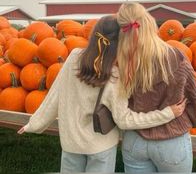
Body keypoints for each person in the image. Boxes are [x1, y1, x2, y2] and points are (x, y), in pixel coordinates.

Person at [17, 15, 186, 173]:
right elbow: (124, 120)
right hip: (101, 148)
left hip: (71, 145)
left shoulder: (73, 57)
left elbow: (54, 97)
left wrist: (34, 124)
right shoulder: (115, 76)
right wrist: (167, 113)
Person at [116, 2, 196, 173]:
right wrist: (194, 119)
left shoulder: (120, 63)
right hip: (172, 141)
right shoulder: (177, 57)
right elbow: (194, 96)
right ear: (150, 23)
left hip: (135, 139)